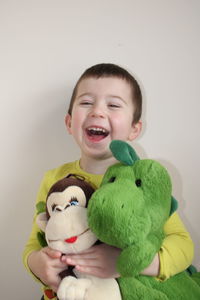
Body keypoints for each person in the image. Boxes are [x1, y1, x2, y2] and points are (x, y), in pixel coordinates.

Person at [23, 63, 194, 300]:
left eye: (113, 105)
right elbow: (35, 242)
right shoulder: (53, 179)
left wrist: (129, 263)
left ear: (135, 129)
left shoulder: (142, 180)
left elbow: (183, 244)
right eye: (86, 103)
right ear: (69, 123)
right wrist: (38, 265)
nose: (97, 112)